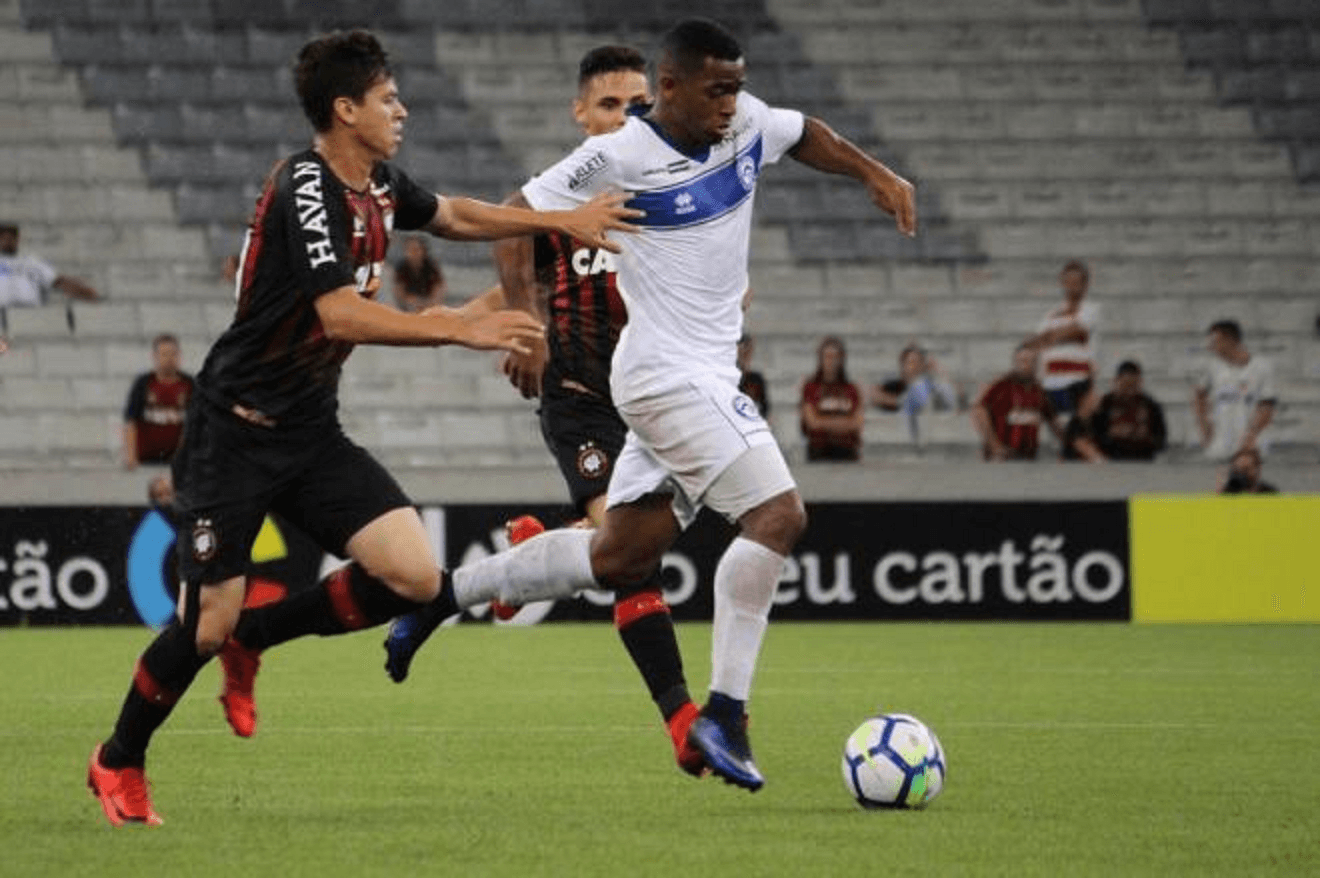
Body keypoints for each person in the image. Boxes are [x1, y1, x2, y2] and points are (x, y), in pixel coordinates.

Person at [85, 30, 638, 828]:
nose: (401, 110)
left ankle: (256, 638)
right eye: (388, 99)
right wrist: (454, 326)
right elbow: (340, 314)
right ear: (346, 110)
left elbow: (451, 214)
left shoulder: (377, 182)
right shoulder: (306, 188)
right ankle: (119, 758)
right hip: (233, 432)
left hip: (309, 430)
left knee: (413, 578)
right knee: (203, 626)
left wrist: (560, 219)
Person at [376, 18, 915, 793]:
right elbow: (516, 212)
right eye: (716, 90)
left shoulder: (746, 120)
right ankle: (724, 714)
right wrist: (524, 321)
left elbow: (805, 134)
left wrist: (873, 173)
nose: (732, 103)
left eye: (737, 87)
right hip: (667, 377)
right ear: (670, 87)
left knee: (618, 557)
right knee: (778, 515)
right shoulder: (621, 153)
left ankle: (443, 596)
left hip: (693, 374)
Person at [382, 45, 708, 777]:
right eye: (609, 104)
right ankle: (684, 722)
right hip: (580, 397)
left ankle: (526, 559)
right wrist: (503, 325)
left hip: (650, 404)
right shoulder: (564, 194)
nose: (624, 117)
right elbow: (517, 248)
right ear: (580, 113)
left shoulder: (665, 191)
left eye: (637, 105)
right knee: (633, 560)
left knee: (620, 548)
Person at [1021, 260, 1098, 417]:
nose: (1072, 286)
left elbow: (1075, 331)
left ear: (1085, 285)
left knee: (1075, 426)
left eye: (1076, 282)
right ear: (1062, 283)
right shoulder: (1050, 314)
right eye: (1068, 281)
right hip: (1051, 382)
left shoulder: (1091, 309)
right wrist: (1053, 336)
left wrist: (1050, 337)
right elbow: (1034, 343)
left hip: (1078, 382)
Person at [1193, 319, 1276, 461]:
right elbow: (1199, 397)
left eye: (1215, 342)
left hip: (1252, 448)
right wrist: (1205, 429)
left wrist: (1251, 437)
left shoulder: (1261, 367)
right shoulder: (1211, 367)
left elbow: (1267, 406)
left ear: (1229, 340)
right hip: (1220, 446)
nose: (1210, 347)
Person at [971, 345, 1064, 461]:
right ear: (1015, 363)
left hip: (1027, 457)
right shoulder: (1002, 385)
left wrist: (1067, 444)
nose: (1025, 365)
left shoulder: (1039, 390)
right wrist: (995, 446)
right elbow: (979, 411)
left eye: (1031, 361)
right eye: (1022, 361)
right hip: (1002, 457)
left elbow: (1052, 420)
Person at [121, 334, 195, 469]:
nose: (169, 359)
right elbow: (131, 421)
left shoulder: (190, 384)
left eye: (173, 354)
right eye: (164, 354)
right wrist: (130, 456)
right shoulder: (143, 384)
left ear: (179, 356)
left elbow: (198, 424)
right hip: (146, 461)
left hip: (179, 463)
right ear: (155, 356)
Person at [0, 221, 99, 306]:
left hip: (29, 314)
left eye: (11, 236)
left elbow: (57, 281)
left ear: (17, 239)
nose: (7, 240)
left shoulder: (30, 261)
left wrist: (86, 293)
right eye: (3, 237)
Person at [800, 335, 864, 461]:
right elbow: (812, 423)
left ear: (841, 360)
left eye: (835, 357)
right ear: (820, 359)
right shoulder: (811, 388)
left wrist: (824, 422)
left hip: (847, 452)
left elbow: (857, 423)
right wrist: (844, 423)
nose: (831, 361)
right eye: (827, 356)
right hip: (819, 452)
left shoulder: (851, 389)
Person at [1087, 360, 1167, 461]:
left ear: (1140, 382)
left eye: (1133, 385)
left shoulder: (1151, 406)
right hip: (1111, 460)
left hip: (1143, 461)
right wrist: (1115, 435)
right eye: (1125, 385)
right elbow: (1093, 435)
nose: (1129, 391)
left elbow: (1161, 440)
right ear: (1117, 381)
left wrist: (1141, 437)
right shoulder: (1104, 404)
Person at [392, 235, 446, 313]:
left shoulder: (432, 267)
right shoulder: (401, 269)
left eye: (416, 250)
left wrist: (428, 304)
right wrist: (412, 302)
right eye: (409, 250)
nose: (413, 253)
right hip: (409, 307)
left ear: (424, 251)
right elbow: (399, 293)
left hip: (429, 305)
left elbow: (439, 290)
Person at [737, 332, 770, 417]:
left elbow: (764, 410)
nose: (745, 354)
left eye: (747, 350)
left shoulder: (755, 380)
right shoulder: (727, 379)